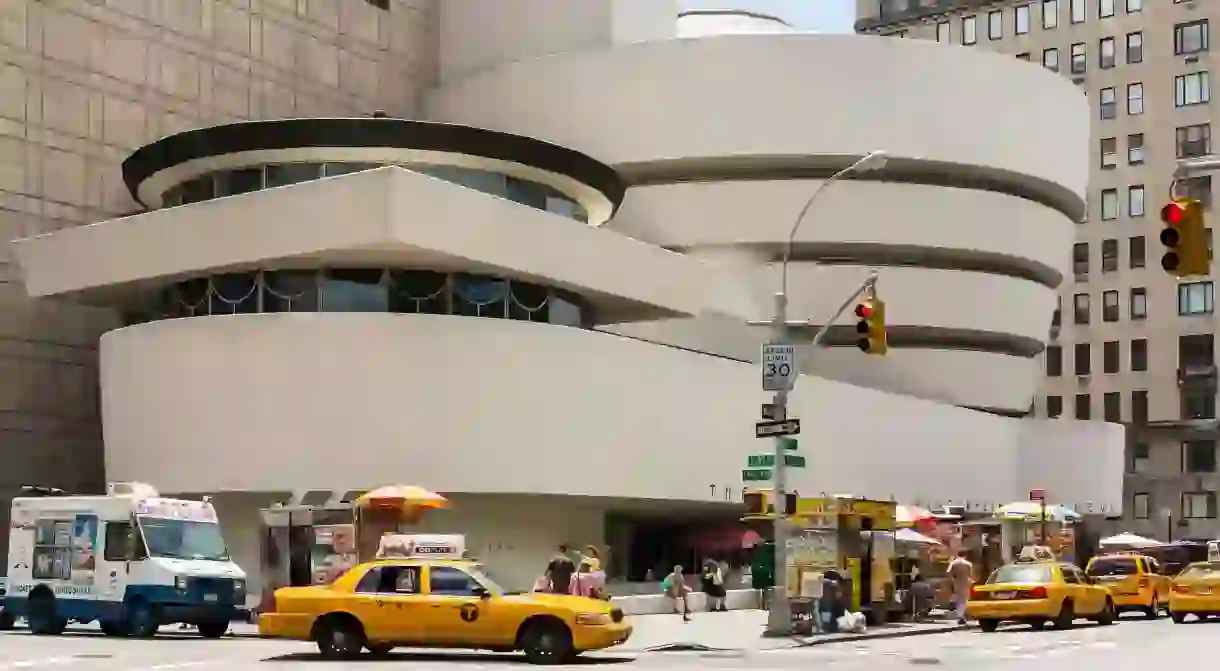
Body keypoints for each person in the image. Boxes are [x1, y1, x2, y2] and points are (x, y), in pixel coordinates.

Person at [948, 550, 974, 625]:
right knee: (964, 600)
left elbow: (948, 573)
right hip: (965, 583)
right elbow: (970, 575)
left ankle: (960, 616)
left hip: (957, 583)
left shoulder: (953, 563)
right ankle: (961, 616)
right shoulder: (968, 564)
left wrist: (953, 579)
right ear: (965, 555)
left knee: (959, 600)